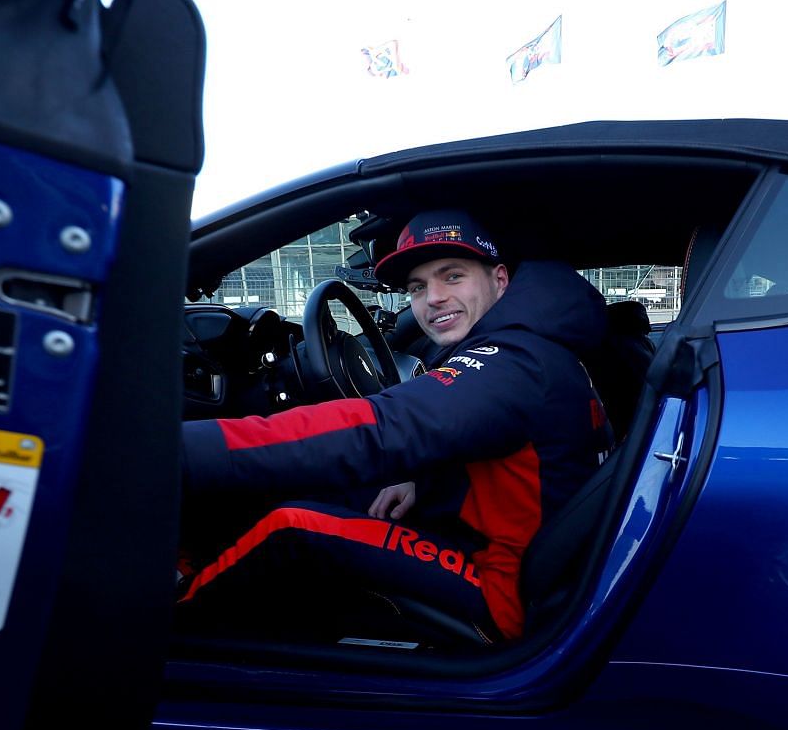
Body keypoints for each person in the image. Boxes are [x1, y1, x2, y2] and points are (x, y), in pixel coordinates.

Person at [178, 209, 609, 643]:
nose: (433, 297)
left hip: (506, 593)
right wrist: (420, 480)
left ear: (499, 280)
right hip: (529, 562)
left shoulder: (513, 363)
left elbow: (379, 428)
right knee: (330, 490)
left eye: (453, 276)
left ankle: (160, 629)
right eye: (417, 287)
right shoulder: (536, 347)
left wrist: (174, 449)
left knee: (293, 524)